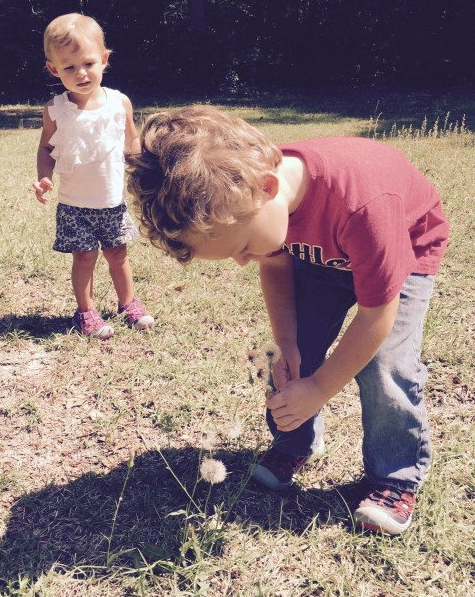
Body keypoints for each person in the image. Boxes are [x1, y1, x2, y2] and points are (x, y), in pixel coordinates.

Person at [126, 105, 449, 535]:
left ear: (269, 188)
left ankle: (396, 476)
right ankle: (295, 441)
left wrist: (318, 388)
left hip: (402, 250)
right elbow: (275, 263)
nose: (243, 261)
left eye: (243, 246)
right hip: (323, 256)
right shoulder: (256, 199)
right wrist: (288, 342)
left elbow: (376, 316)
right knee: (283, 355)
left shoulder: (363, 205)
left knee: (385, 363)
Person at [32, 13, 154, 338]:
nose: (81, 73)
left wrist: (145, 171)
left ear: (104, 59)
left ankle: (128, 304)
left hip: (112, 200)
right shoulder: (56, 109)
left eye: (88, 63)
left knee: (118, 254)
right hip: (74, 204)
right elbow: (46, 148)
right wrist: (45, 177)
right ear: (54, 69)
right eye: (69, 67)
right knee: (84, 258)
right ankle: (85, 312)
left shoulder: (119, 102)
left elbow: (132, 141)